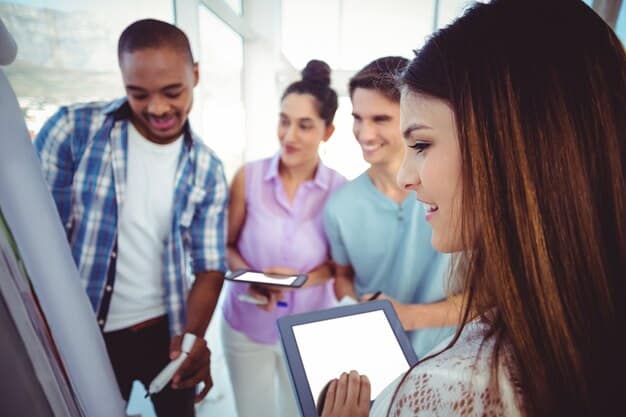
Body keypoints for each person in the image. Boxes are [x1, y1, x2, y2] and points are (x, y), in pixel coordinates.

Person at [320, 0, 626, 416]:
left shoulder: (448, 390)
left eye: (422, 144)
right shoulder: (345, 203)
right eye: (358, 118)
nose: (408, 178)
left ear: (510, 144)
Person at [34, 19, 227, 417]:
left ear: (196, 74)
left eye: (172, 92)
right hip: (81, 330)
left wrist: (191, 341)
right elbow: (34, 246)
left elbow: (209, 268)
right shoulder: (72, 131)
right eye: (138, 94)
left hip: (166, 331)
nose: (157, 108)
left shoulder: (207, 168)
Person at [221, 59, 346, 417]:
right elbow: (227, 245)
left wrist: (298, 282)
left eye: (305, 126)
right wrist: (252, 278)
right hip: (247, 325)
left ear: (328, 131)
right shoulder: (248, 177)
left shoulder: (341, 191)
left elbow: (338, 267)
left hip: (308, 332)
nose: (289, 135)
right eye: (284, 121)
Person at [323, 56, 459, 359]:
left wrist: (409, 315)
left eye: (380, 119)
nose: (364, 134)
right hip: (374, 355)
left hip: (447, 357)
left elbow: (490, 297)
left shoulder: (457, 197)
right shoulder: (339, 206)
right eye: (357, 118)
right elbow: (342, 275)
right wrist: (354, 307)